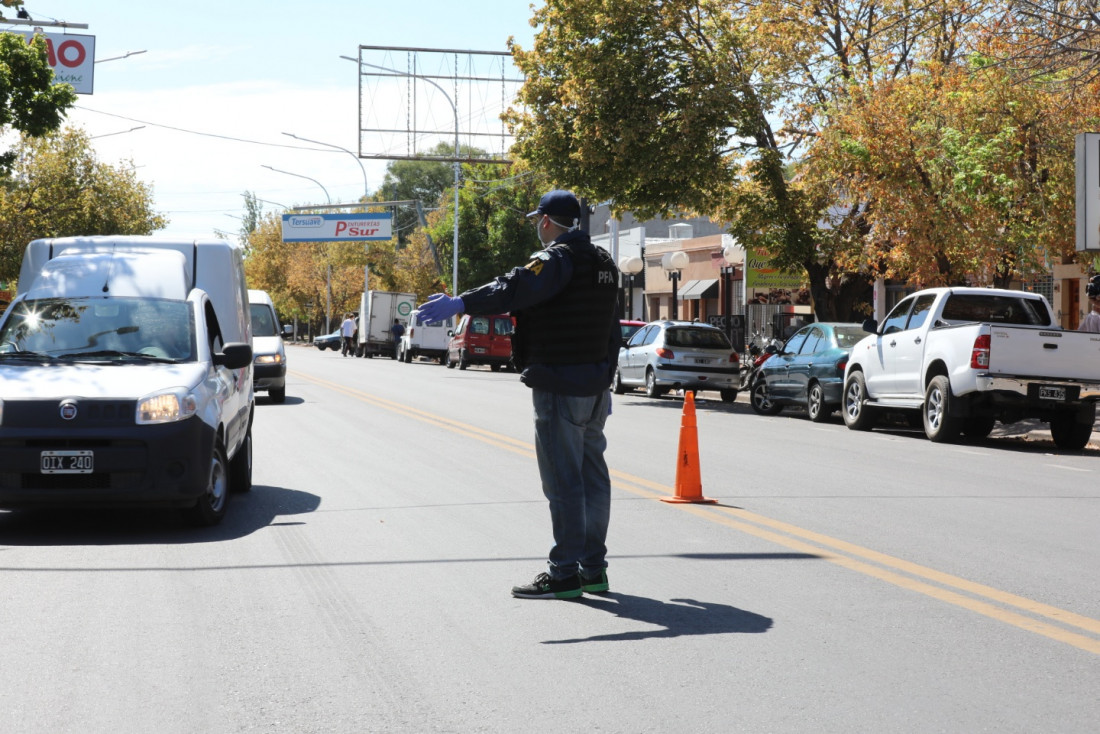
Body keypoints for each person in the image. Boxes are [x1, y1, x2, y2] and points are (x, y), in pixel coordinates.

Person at [416, 189, 621, 600]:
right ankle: (593, 570)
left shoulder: (555, 259)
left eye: (536, 220)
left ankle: (564, 573)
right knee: (592, 478)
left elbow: (513, 287)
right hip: (596, 385)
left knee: (564, 482)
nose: (536, 227)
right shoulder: (603, 262)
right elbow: (612, 326)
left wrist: (461, 302)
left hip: (560, 384)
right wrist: (605, 374)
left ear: (547, 221)